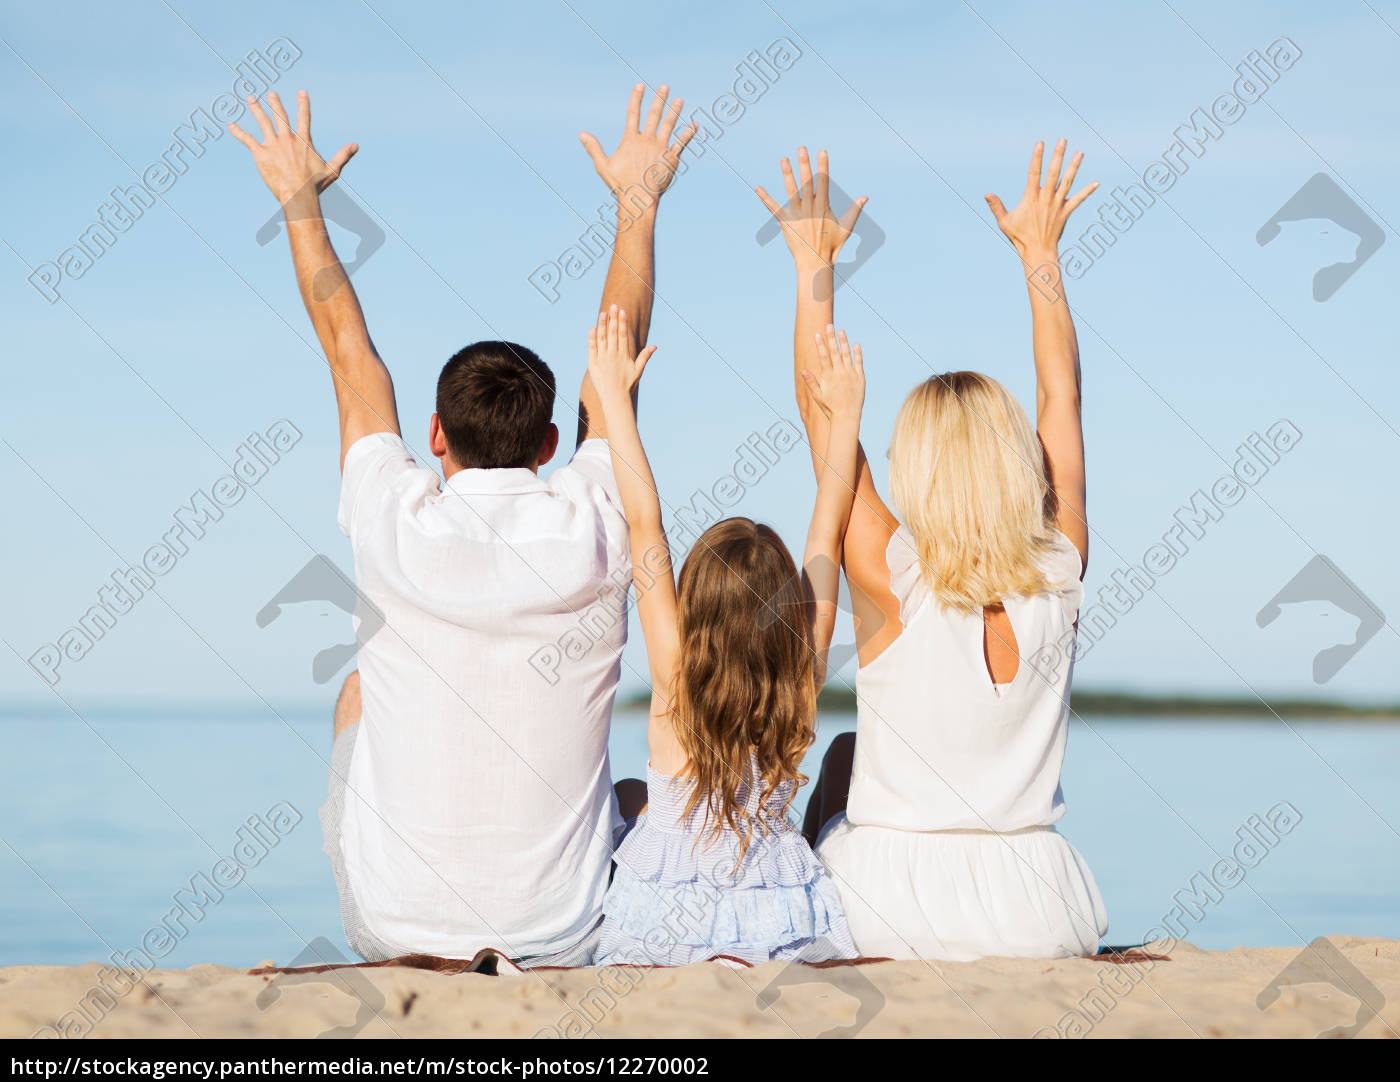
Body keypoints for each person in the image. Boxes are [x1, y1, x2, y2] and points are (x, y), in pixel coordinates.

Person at [229, 84, 694, 966]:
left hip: (394, 929)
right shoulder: (595, 513)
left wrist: (299, 202)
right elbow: (616, 365)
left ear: (433, 436)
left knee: (361, 687)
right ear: (552, 442)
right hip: (564, 932)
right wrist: (638, 206)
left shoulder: (392, 514)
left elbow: (346, 349)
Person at [756, 142, 1109, 961]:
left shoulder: (893, 576)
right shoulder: (1061, 570)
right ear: (1016, 464)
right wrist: (1042, 256)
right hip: (1035, 907)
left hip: (886, 903)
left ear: (919, 467)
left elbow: (820, 413)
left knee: (842, 757)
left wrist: (814, 265)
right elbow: (1063, 394)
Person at [584, 307, 859, 966]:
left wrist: (613, 398)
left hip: (658, 925)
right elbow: (827, 535)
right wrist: (845, 415)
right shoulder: (801, 677)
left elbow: (644, 523)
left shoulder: (677, 672)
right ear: (788, 605)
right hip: (774, 909)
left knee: (629, 792)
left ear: (696, 603)